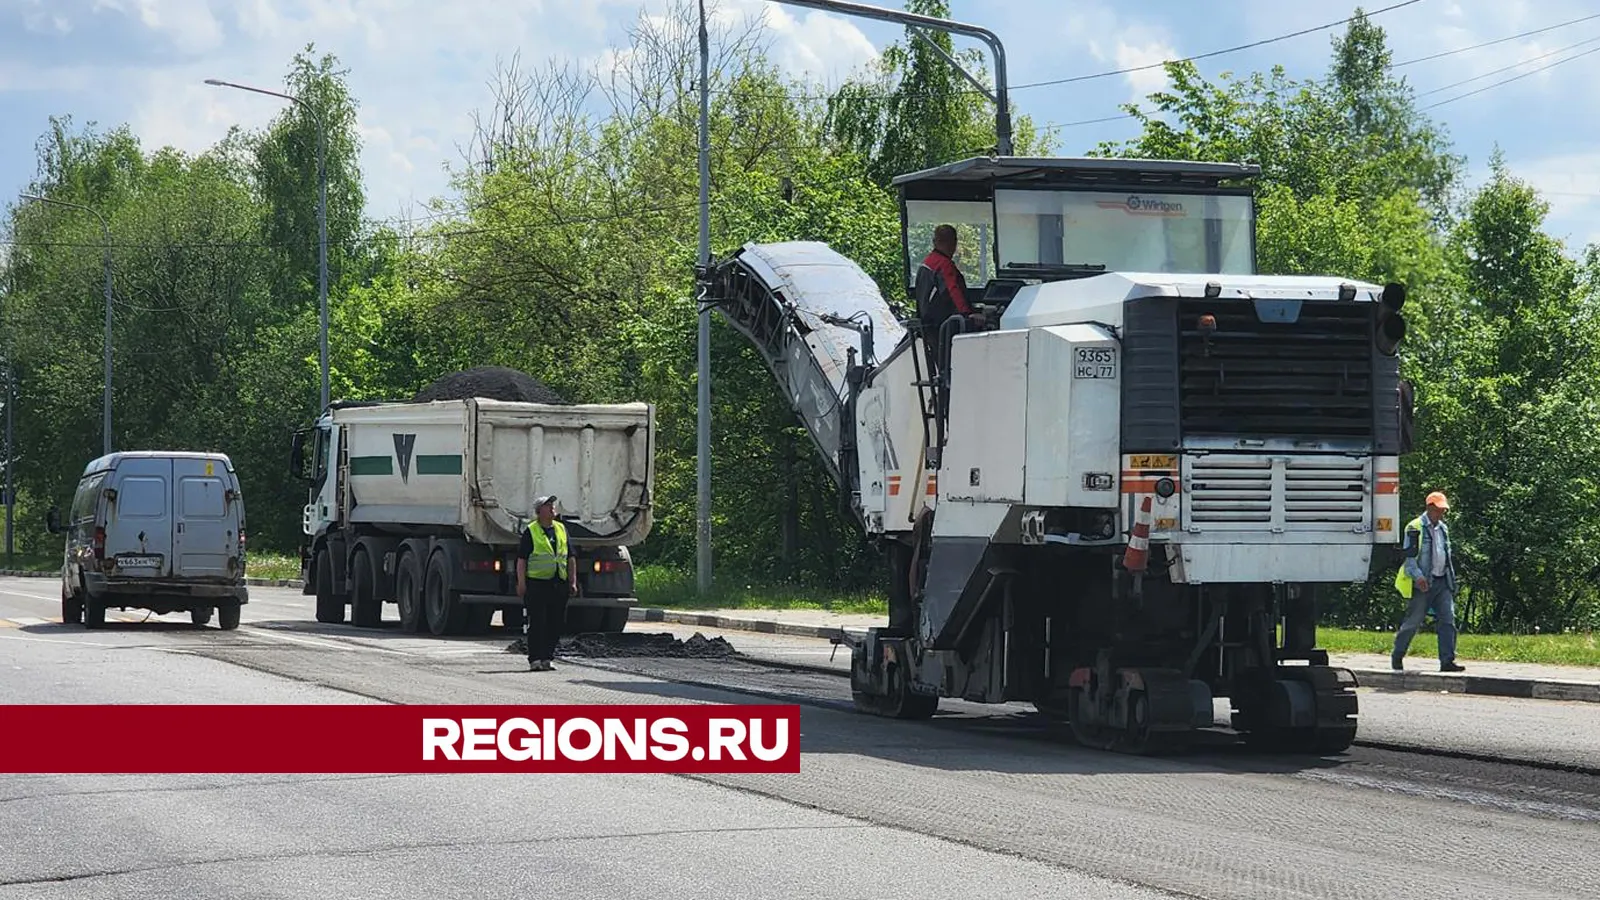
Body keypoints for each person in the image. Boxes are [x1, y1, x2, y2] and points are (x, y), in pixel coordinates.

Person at [1391, 491, 1465, 672]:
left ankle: (1447, 661)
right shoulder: (1414, 527)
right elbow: (1409, 559)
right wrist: (1418, 577)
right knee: (1413, 622)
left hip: (1442, 581)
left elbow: (1445, 555)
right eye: (1439, 510)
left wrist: (1451, 579)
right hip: (1423, 583)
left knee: (1448, 620)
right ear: (1429, 508)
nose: (1441, 514)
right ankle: (1397, 655)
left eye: (1443, 511)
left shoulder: (1443, 529)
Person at [913, 224, 985, 377]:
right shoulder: (943, 265)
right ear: (952, 243)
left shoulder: (926, 264)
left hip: (930, 327)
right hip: (944, 328)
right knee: (953, 370)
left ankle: (941, 395)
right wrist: (968, 316)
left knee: (943, 371)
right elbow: (953, 292)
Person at [517, 495, 578, 672]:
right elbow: (522, 560)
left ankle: (547, 658)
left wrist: (572, 581)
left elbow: (571, 557)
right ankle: (535, 659)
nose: (552, 507)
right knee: (537, 622)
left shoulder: (561, 529)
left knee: (556, 622)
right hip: (537, 584)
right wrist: (521, 583)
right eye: (547, 505)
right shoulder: (531, 531)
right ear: (539, 511)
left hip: (558, 583)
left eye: (552, 504)